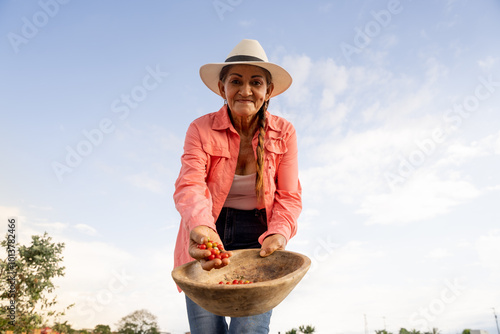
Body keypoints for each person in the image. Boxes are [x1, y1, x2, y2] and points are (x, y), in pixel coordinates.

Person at [173, 39, 302, 334]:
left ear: (268, 91)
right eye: (236, 81)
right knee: (206, 329)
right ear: (222, 88)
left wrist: (279, 234)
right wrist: (201, 228)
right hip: (208, 231)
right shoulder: (200, 129)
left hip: (259, 237)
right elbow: (189, 184)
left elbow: (289, 196)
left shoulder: (284, 133)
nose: (245, 91)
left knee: (249, 329)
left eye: (256, 82)